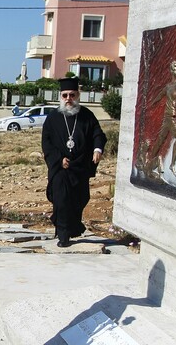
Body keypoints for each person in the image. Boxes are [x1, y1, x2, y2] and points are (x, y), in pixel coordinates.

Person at [42, 77, 107, 247]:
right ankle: (63, 235)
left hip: (80, 166)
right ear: (60, 96)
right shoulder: (52, 118)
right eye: (65, 95)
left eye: (72, 95)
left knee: (79, 199)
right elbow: (46, 142)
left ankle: (70, 228)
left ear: (78, 95)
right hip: (61, 168)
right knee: (61, 199)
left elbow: (98, 134)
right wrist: (58, 159)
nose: (68, 99)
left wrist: (97, 149)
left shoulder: (86, 115)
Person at [147, 59, 176, 177]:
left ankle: (160, 161)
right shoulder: (168, 86)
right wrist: (150, 104)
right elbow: (159, 96)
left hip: (171, 116)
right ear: (171, 69)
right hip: (168, 117)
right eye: (175, 66)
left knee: (164, 138)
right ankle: (163, 163)